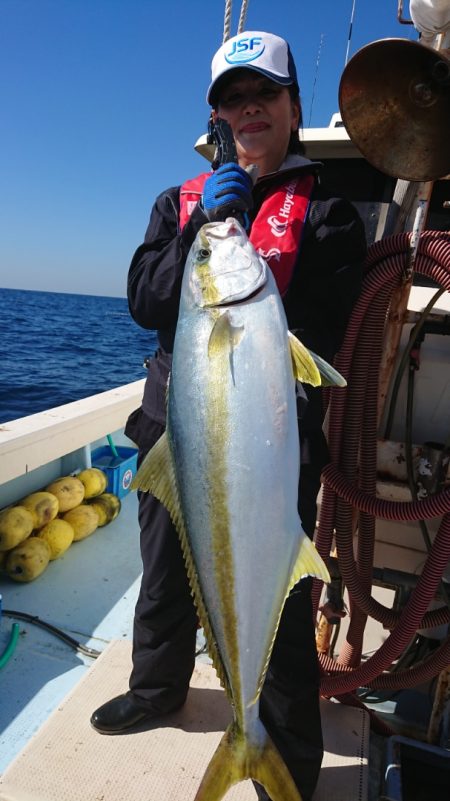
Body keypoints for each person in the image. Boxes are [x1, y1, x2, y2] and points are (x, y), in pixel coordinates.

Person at [91, 30, 366, 801]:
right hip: (173, 432)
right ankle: (156, 689)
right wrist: (198, 232)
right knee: (165, 576)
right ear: (217, 119)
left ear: (291, 106)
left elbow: (328, 318)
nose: (249, 111)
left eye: (263, 97)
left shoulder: (330, 214)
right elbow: (146, 300)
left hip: (268, 441)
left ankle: (285, 755)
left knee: (276, 591)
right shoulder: (177, 203)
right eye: (232, 101)